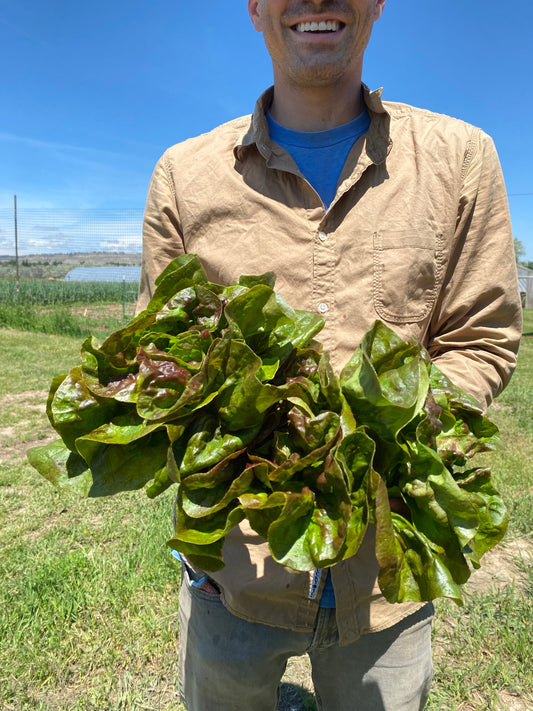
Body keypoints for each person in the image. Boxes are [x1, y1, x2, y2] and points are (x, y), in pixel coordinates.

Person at [137, 1, 522, 709]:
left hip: (384, 580)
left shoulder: (459, 158)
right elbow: (160, 362)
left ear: (378, 3)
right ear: (254, 7)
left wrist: (378, 434)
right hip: (234, 575)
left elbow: (481, 336)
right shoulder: (185, 177)